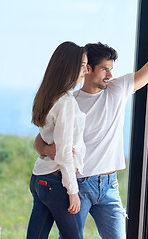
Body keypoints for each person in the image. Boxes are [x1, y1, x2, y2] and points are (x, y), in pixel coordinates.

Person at [33, 23, 148, 238]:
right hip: (79, 183)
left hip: (109, 186)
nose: (109, 74)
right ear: (87, 69)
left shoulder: (118, 89)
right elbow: (41, 140)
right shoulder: (71, 101)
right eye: (104, 69)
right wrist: (48, 149)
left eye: (111, 68)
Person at [27, 41, 88, 239]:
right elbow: (63, 154)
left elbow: (44, 137)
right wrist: (72, 191)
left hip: (40, 179)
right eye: (81, 65)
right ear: (68, 67)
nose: (86, 70)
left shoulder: (48, 95)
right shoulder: (66, 102)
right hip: (56, 181)